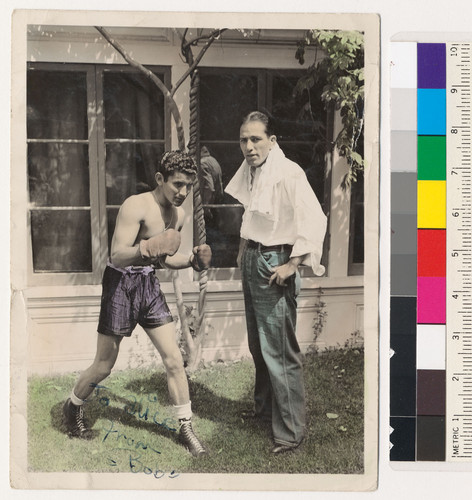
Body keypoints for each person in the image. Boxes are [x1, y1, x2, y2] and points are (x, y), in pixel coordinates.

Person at [62, 151, 212, 457]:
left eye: (188, 186)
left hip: (147, 285)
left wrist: (194, 262)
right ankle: (72, 406)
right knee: (104, 364)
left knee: (173, 359)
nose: (182, 193)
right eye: (177, 185)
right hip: (120, 285)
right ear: (160, 179)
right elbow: (117, 255)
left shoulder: (178, 214)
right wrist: (148, 247)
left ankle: (186, 427)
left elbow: (166, 258)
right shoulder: (136, 205)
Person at [225, 111, 327, 454]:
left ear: (272, 140)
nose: (249, 146)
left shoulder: (288, 173)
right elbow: (252, 215)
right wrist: (243, 252)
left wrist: (293, 264)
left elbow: (315, 219)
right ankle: (265, 410)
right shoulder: (254, 172)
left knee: (279, 350)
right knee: (259, 344)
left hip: (275, 262)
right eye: (243, 139)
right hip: (254, 258)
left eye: (255, 139)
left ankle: (290, 432)